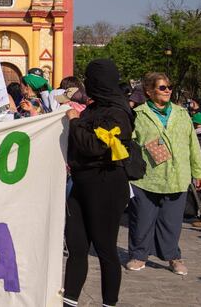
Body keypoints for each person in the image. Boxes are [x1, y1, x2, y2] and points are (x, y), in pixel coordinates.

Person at [63, 59, 135, 307]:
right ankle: (69, 301)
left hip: (105, 185)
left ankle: (109, 303)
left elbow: (94, 146)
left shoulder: (118, 113)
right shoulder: (94, 109)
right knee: (76, 246)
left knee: (105, 249)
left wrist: (73, 121)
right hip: (81, 184)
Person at [127, 72, 201, 275]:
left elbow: (192, 144)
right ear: (149, 91)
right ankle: (138, 255)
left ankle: (172, 256)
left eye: (169, 87)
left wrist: (198, 172)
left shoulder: (181, 113)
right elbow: (129, 143)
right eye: (162, 87)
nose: (168, 90)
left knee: (171, 222)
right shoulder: (138, 114)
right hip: (147, 177)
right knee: (142, 219)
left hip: (177, 175)